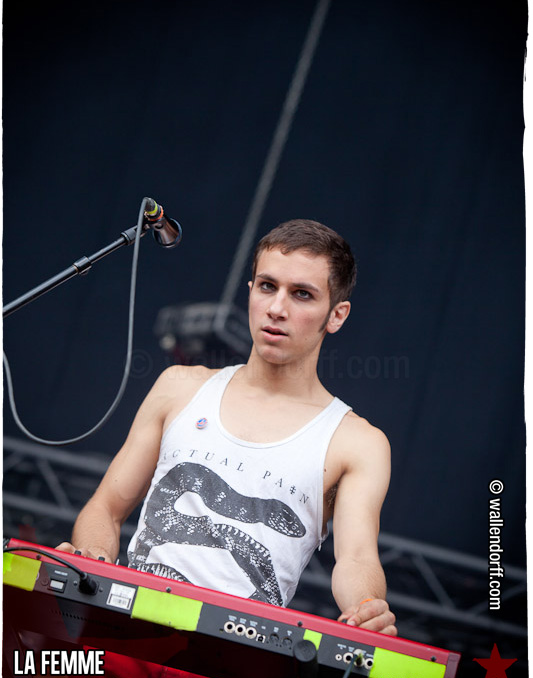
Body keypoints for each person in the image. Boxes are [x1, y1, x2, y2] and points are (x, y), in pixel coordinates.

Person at [58, 219, 396, 637]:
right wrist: (93, 557)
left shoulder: (358, 442)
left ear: (336, 315)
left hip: (235, 658)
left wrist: (366, 607)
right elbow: (107, 507)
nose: (277, 308)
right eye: (267, 286)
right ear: (250, 291)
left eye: (302, 294)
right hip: (124, 634)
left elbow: (357, 557)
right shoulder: (179, 387)